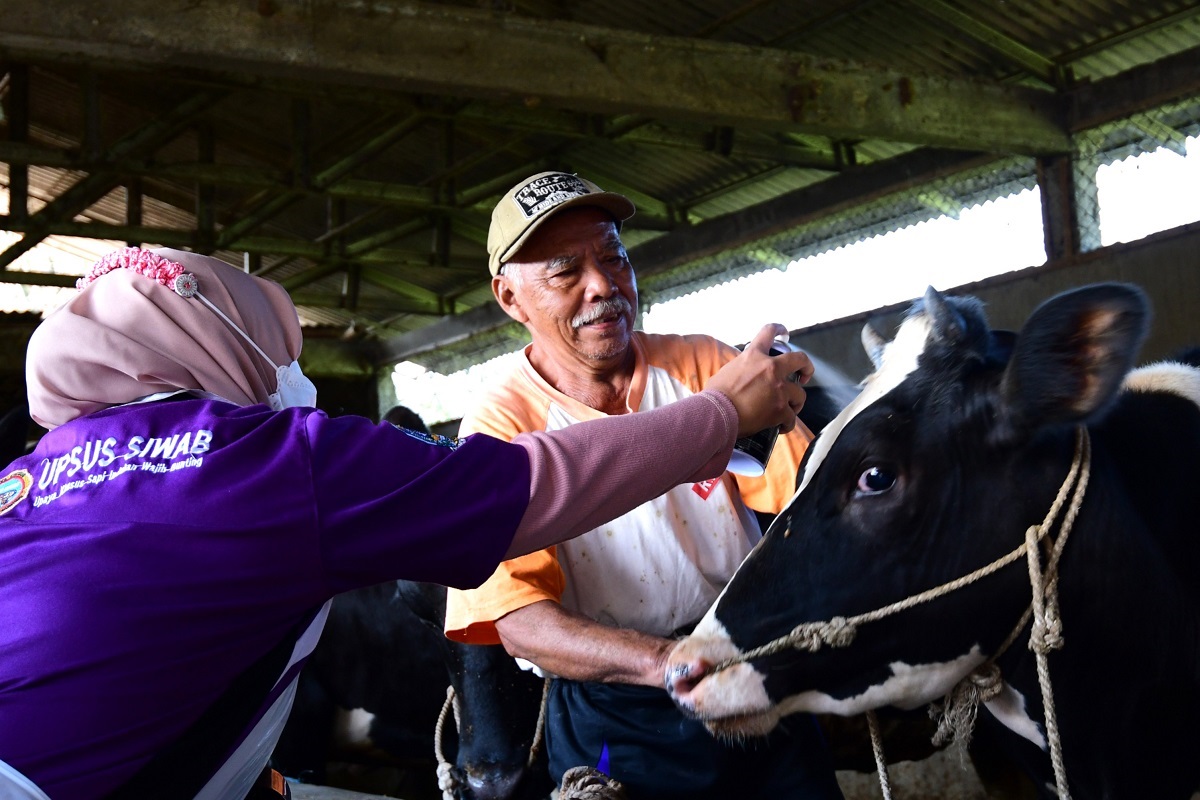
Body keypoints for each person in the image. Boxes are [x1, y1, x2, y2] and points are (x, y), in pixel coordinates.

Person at [0, 246, 811, 800]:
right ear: (221, 345)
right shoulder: (272, 461)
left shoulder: (26, 479)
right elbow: (519, 495)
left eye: (613, 259)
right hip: (621, 705)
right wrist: (719, 417)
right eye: (278, 349)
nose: (291, 375)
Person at [444, 172, 844, 799]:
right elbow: (518, 619)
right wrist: (664, 662)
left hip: (751, 676)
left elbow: (812, 507)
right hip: (618, 709)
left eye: (613, 256)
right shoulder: (501, 426)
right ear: (510, 299)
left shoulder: (704, 365)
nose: (603, 286)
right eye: (564, 271)